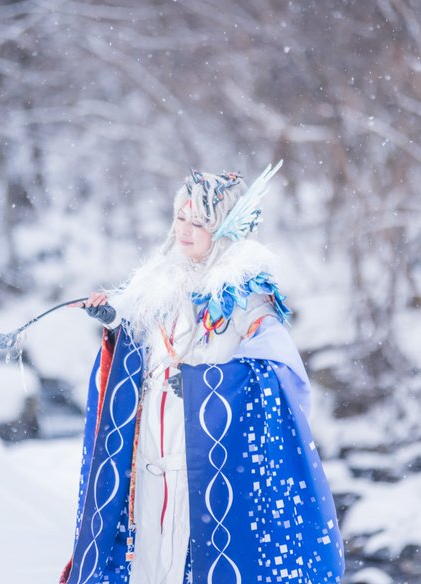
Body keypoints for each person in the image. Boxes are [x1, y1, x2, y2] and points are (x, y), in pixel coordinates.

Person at [61, 162, 345, 584]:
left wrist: (206, 384)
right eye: (180, 217)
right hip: (148, 455)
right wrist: (114, 322)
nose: (185, 230)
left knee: (195, 563)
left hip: (206, 461)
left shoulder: (247, 295)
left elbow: (278, 372)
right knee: (145, 560)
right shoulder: (158, 285)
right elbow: (141, 347)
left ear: (226, 226)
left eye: (200, 222)